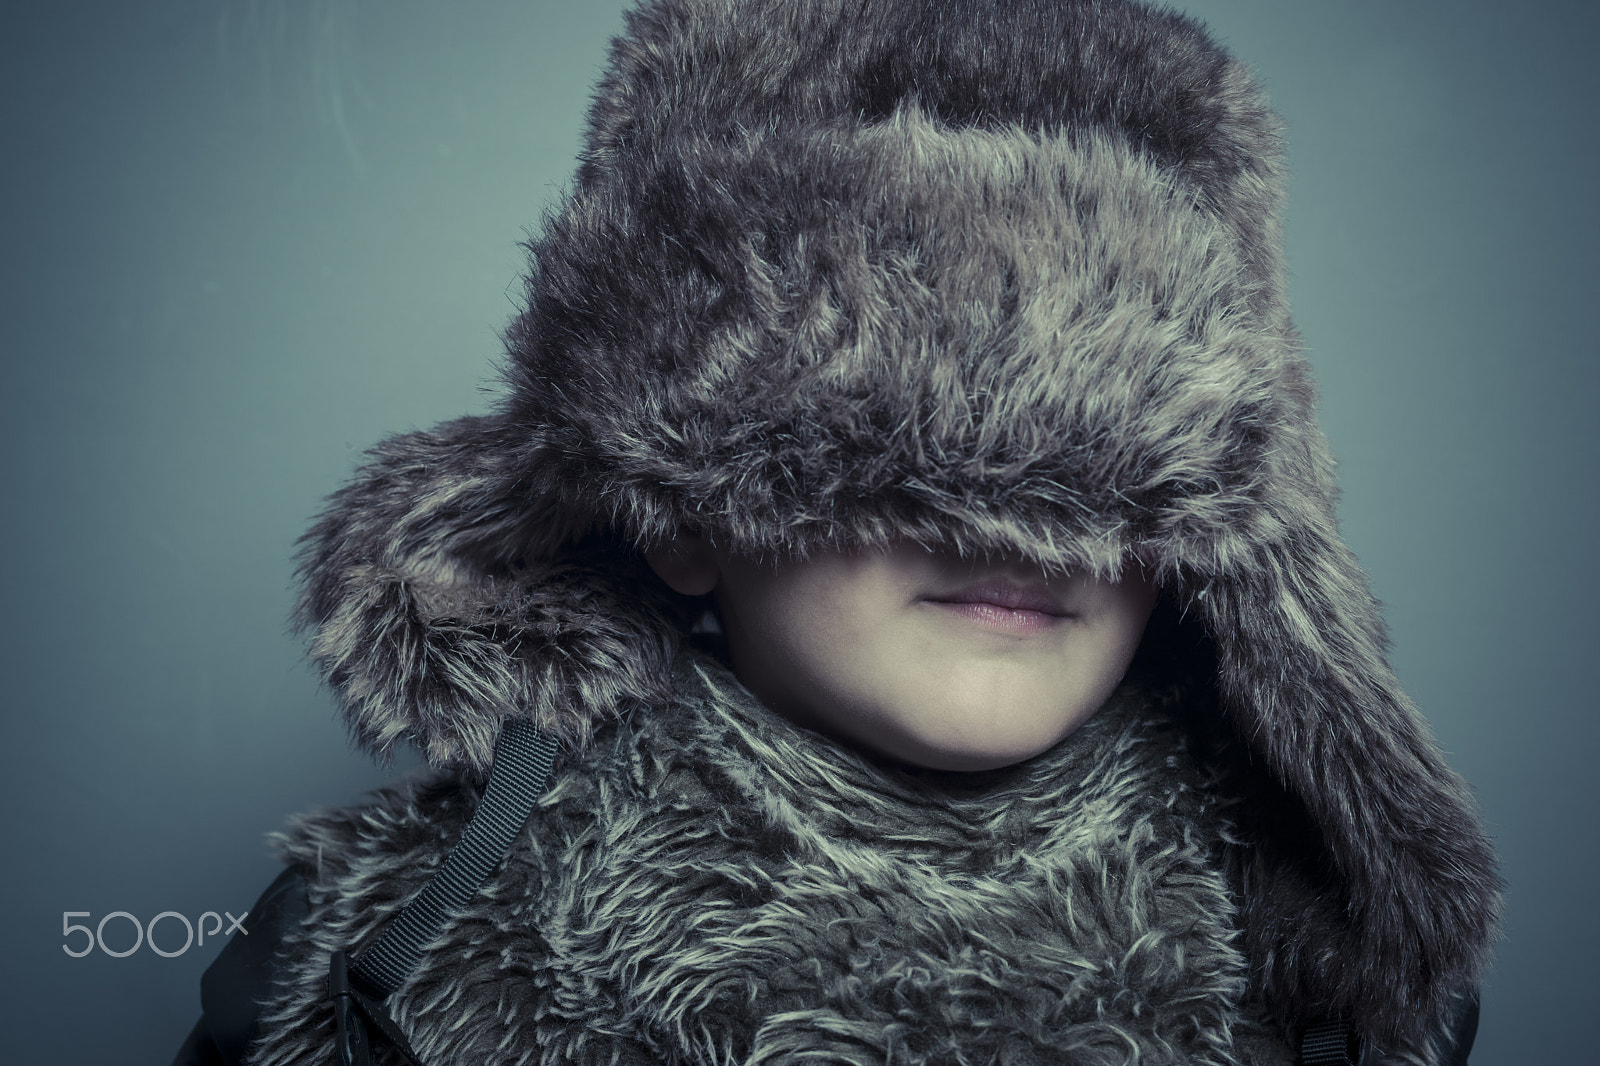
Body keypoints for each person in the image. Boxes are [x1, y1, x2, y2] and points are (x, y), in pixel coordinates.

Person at [174, 0, 1501, 1063]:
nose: (1036, 534)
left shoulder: (1342, 983)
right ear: (680, 511)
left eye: (1122, 478)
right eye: (899, 449)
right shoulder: (388, 955)